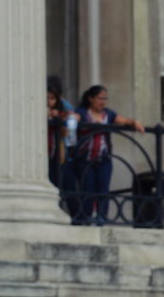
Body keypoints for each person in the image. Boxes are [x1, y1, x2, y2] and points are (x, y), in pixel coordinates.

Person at [67, 85, 144, 225]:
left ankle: (101, 218)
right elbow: (75, 118)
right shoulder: (83, 112)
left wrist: (134, 122)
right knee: (87, 190)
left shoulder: (108, 114)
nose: (103, 102)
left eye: (105, 99)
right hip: (86, 158)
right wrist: (72, 118)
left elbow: (124, 120)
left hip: (104, 158)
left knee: (103, 190)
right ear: (91, 99)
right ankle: (86, 219)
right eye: (100, 98)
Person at [46, 76, 74, 188]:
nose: (48, 101)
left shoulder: (63, 108)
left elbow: (68, 133)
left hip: (58, 153)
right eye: (47, 97)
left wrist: (65, 118)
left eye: (52, 98)